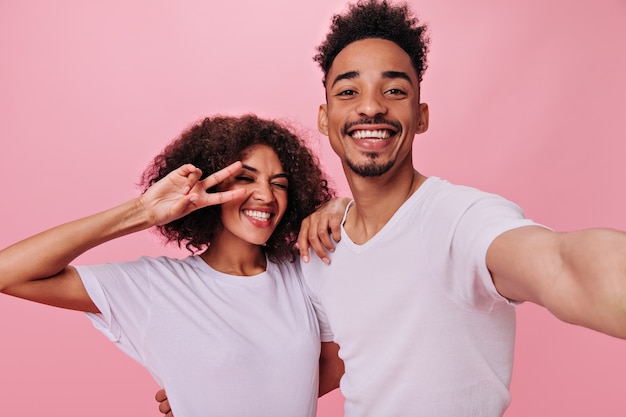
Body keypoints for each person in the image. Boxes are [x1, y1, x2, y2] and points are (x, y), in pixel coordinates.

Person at [155, 1, 626, 415]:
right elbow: (329, 366)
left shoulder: (461, 220)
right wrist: (210, 394)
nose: (371, 108)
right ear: (325, 117)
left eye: (395, 90)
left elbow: (562, 264)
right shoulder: (324, 244)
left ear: (420, 115)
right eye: (348, 92)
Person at [0, 114, 346, 417]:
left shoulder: (304, 269)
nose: (266, 196)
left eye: (279, 184)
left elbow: (339, 362)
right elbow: (7, 272)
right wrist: (143, 212)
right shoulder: (158, 287)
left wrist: (344, 209)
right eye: (246, 178)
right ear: (208, 183)